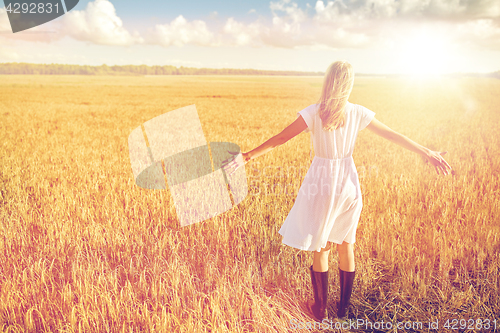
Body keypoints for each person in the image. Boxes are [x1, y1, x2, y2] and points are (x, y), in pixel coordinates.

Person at [222, 61, 452, 321]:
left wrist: (248, 156)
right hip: (348, 183)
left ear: (327, 81)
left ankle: (319, 310)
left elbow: (281, 138)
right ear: (348, 84)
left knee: (321, 247)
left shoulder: (313, 113)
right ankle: (342, 310)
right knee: (346, 244)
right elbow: (393, 135)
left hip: (322, 182)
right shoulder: (358, 112)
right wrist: (427, 152)